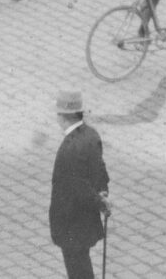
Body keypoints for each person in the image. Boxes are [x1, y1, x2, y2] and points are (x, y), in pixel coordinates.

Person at [49, 90, 109, 279]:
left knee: (78, 271)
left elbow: (78, 188)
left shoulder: (69, 148)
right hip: (86, 220)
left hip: (70, 222)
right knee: (82, 264)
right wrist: (103, 194)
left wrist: (100, 203)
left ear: (62, 116)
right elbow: (100, 169)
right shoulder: (91, 135)